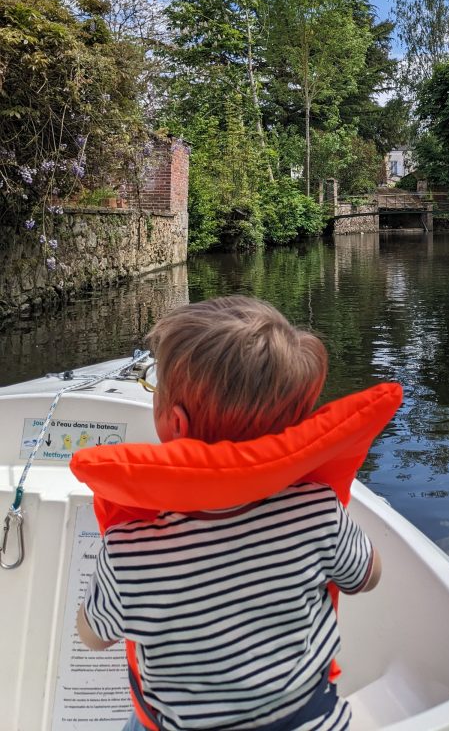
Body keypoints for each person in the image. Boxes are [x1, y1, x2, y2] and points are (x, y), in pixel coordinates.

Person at [76, 296, 382, 731]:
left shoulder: (131, 551)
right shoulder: (318, 511)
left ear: (176, 424)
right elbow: (367, 576)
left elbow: (93, 636)